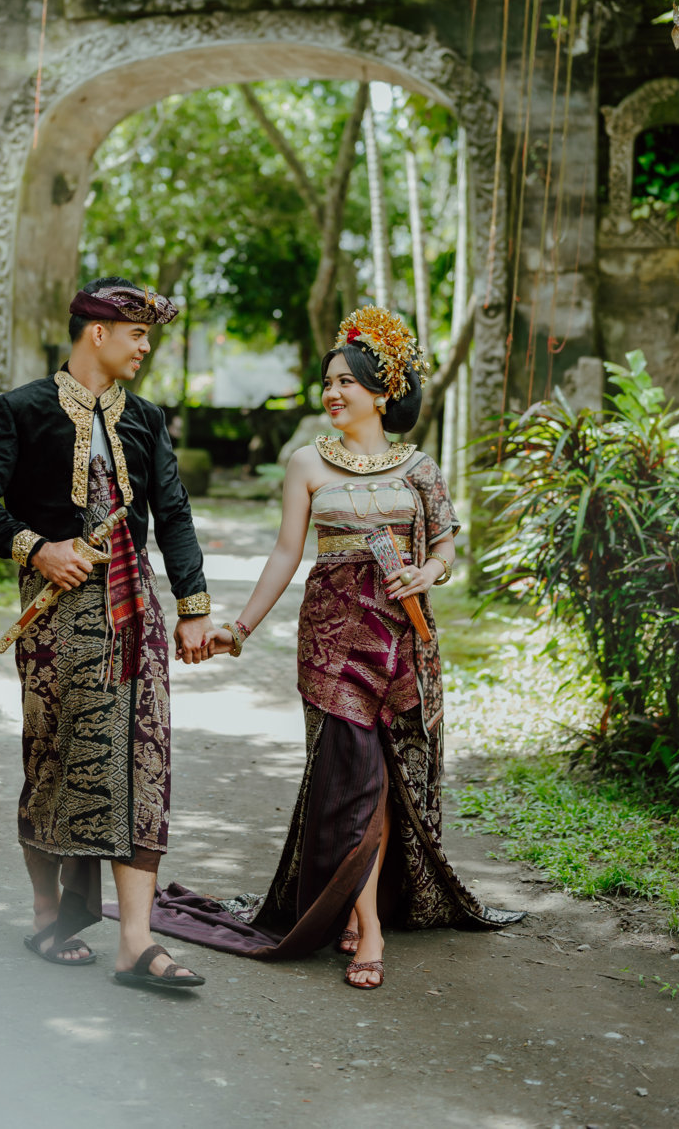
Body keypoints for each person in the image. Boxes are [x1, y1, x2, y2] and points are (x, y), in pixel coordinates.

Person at [147, 307, 522, 989]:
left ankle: (359, 903)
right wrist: (240, 628)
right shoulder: (306, 462)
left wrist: (427, 573)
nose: (333, 392)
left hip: (402, 640)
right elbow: (286, 553)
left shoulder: (420, 468)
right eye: (327, 381)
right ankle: (368, 925)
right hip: (332, 640)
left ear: (383, 392)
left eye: (346, 381)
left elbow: (446, 547)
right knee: (353, 778)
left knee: (386, 780)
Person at [0, 277, 214, 990]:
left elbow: (174, 513)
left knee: (143, 757)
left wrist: (193, 606)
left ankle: (135, 941)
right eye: (138, 334)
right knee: (56, 757)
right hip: (56, 617)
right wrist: (38, 548)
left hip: (135, 611)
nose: (146, 348)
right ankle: (50, 912)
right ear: (98, 332)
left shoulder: (147, 418)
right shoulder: (19, 410)